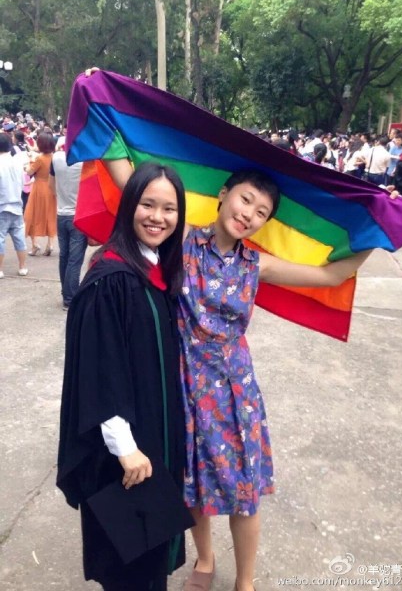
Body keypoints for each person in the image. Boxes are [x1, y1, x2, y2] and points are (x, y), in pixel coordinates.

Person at [104, 160, 372, 591]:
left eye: (261, 211)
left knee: (242, 492)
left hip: (233, 392)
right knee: (193, 483)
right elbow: (133, 186)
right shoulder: (183, 240)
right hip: (183, 384)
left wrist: (382, 228)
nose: (248, 213)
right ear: (225, 193)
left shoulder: (256, 265)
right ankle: (205, 561)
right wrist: (103, 107)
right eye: (245, 199)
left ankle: (245, 580)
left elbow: (332, 273)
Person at [56, 162, 192, 591]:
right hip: (128, 454)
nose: (158, 217)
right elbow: (100, 369)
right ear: (129, 204)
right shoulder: (110, 278)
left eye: (169, 209)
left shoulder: (154, 270)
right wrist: (126, 449)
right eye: (147, 204)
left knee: (150, 560)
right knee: (130, 567)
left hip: (154, 437)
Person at [49, 141, 87, 310]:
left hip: (61, 214)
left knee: (64, 256)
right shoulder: (84, 161)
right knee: (75, 259)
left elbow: (51, 185)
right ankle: (70, 299)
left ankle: (66, 294)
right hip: (78, 216)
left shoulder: (55, 158)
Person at [0, 133, 28, 278]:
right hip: (17, 204)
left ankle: (0, 269)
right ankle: (22, 267)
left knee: (0, 238)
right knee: (19, 237)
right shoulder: (17, 163)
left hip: (2, 205)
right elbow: (23, 183)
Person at [24, 132, 57, 256]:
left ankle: (35, 244)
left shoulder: (39, 158)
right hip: (51, 187)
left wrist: (29, 162)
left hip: (39, 187)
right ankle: (50, 244)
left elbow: (29, 171)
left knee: (32, 214)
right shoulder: (54, 157)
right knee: (50, 214)